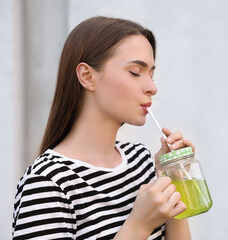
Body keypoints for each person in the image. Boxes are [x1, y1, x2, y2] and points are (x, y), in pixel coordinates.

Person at [12, 16, 193, 240]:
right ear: (88, 77)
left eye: (151, 74)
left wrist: (174, 176)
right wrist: (138, 227)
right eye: (136, 72)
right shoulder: (47, 183)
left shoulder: (142, 161)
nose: (152, 87)